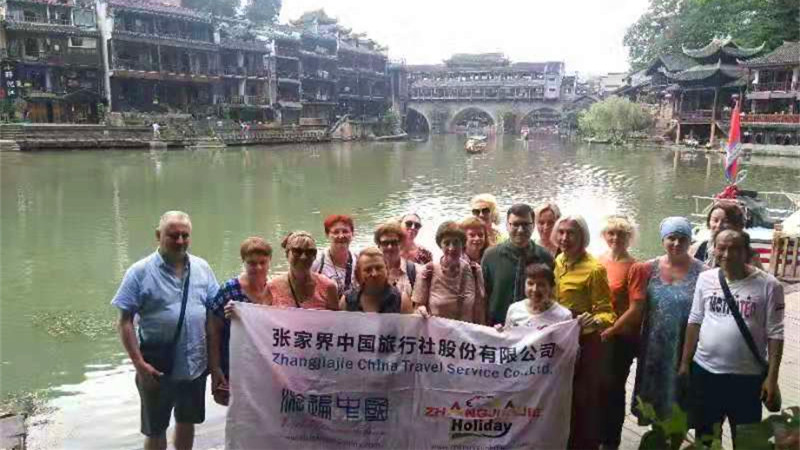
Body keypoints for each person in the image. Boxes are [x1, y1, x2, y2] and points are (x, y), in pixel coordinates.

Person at [110, 211, 219, 450]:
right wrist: (139, 364)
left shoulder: (203, 268)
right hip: (155, 365)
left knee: (187, 421)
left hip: (195, 364)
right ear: (158, 236)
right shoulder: (139, 272)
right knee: (156, 428)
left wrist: (214, 363)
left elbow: (213, 315)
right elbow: (125, 321)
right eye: (173, 235)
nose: (180, 241)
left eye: (185, 235)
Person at [680, 229, 784, 446]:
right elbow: (695, 319)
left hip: (747, 378)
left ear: (746, 251)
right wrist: (684, 363)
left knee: (747, 441)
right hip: (706, 373)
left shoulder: (769, 285)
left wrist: (772, 378)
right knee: (706, 439)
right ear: (714, 249)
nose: (726, 254)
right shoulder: (705, 279)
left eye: (734, 248)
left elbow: (775, 333)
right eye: (721, 248)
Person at [629, 217, 706, 424]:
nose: (677, 244)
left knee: (680, 404)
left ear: (690, 241)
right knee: (653, 402)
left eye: (683, 239)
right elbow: (635, 307)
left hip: (685, 345)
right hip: (653, 346)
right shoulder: (648, 268)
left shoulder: (704, 272)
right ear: (663, 240)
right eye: (671, 238)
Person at [552, 214, 615, 450]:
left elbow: (608, 313)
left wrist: (594, 320)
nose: (565, 238)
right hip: (559, 342)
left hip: (585, 343)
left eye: (571, 233)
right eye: (562, 232)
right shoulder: (558, 261)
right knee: (560, 398)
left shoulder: (594, 269)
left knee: (584, 401)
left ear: (583, 237)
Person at [207, 237, 272, 406]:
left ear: (269, 262)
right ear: (243, 262)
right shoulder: (229, 290)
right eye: (251, 263)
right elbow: (213, 331)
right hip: (233, 365)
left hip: (265, 367)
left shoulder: (275, 289)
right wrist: (215, 369)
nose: (258, 268)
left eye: (262, 262)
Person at [596, 216, 639, 450]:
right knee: (597, 387)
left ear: (629, 238)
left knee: (613, 388)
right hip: (598, 334)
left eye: (621, 234)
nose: (615, 238)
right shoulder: (598, 261)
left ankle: (611, 441)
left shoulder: (635, 267)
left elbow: (636, 308)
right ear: (604, 235)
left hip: (620, 337)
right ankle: (597, 435)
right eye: (611, 233)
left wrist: (613, 329)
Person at [482, 203, 555, 326]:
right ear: (507, 225)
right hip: (497, 328)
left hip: (534, 327)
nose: (520, 230)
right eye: (515, 224)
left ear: (533, 226)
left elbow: (551, 294)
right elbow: (483, 295)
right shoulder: (491, 256)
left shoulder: (545, 257)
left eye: (526, 224)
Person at [413, 221, 486, 324]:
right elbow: (418, 307)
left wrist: (483, 334)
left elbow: (480, 308)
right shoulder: (428, 271)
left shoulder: (474, 270)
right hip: (437, 336)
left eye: (456, 242)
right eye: (446, 243)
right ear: (440, 245)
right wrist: (420, 311)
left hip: (465, 336)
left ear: (463, 244)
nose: (452, 248)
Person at [268, 231, 339, 310]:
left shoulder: (328, 287)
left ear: (315, 256)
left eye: (310, 252)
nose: (303, 257)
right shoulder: (272, 287)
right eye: (297, 251)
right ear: (287, 254)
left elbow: (334, 320)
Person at [690, 201, 763, 269]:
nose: (719, 225)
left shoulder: (748, 254)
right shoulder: (698, 248)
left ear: (737, 225)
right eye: (715, 220)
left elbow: (759, 280)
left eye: (725, 221)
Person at [504, 263, 573, 330]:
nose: (535, 289)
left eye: (541, 285)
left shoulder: (564, 316)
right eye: (530, 283)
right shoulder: (514, 309)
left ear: (551, 287)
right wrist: (499, 333)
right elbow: (508, 339)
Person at [374, 221, 419, 313]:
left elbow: (419, 305)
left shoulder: (415, 271)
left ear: (401, 244)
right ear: (378, 245)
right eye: (385, 243)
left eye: (394, 242)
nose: (390, 247)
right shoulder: (370, 271)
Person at [341, 247, 403, 313]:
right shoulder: (346, 301)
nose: (374, 274)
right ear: (358, 274)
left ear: (387, 269)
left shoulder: (401, 301)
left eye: (379, 268)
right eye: (368, 270)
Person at [311, 214, 359, 298]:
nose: (341, 236)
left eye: (345, 231)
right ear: (327, 235)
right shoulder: (316, 262)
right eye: (336, 232)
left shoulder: (359, 260)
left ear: (352, 234)